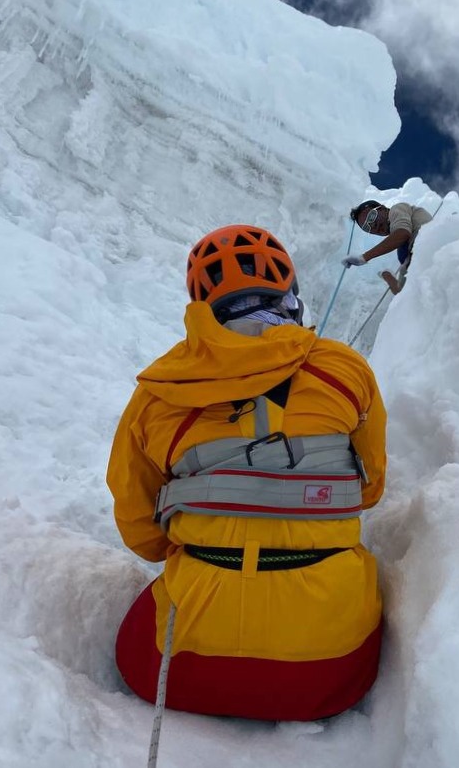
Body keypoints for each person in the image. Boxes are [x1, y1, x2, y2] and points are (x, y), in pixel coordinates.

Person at [107, 224, 387, 721]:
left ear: (200, 306)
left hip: (179, 668)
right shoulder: (344, 369)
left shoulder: (157, 392)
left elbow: (140, 527)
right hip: (330, 671)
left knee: (140, 631)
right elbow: (369, 488)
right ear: (291, 296)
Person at [343, 200, 433, 294]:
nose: (373, 225)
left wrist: (364, 257)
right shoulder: (402, 248)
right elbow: (401, 294)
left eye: (372, 216)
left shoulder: (396, 209)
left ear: (383, 209)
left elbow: (403, 233)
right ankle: (387, 276)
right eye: (367, 227)